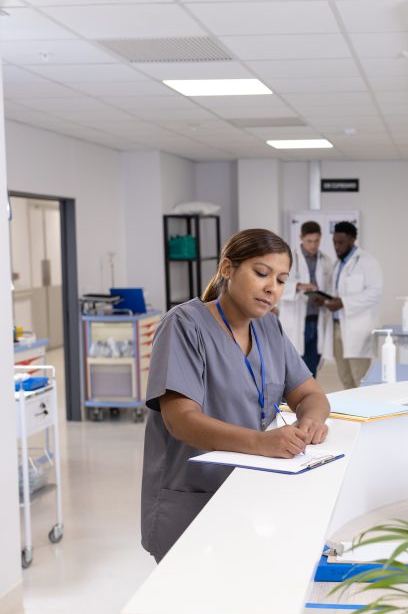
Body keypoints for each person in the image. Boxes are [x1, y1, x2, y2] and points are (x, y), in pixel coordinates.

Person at [140, 228, 330, 563]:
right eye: (261, 273)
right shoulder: (184, 325)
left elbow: (310, 393)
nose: (272, 288)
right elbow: (180, 420)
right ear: (227, 269)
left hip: (252, 495)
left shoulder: (270, 328)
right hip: (194, 499)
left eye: (282, 280)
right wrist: (262, 442)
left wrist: (311, 420)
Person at [321, 221, 382, 389]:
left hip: (358, 331)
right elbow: (336, 291)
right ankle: (351, 415)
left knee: (360, 378)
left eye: (341, 242)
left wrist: (343, 303)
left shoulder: (367, 262)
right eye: (334, 242)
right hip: (337, 327)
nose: (337, 247)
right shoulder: (338, 265)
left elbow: (374, 293)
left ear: (352, 240)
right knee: (345, 377)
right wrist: (326, 300)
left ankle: (365, 414)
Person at [277, 220, 333, 377]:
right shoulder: (289, 259)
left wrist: (324, 298)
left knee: (311, 367)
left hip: (316, 319)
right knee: (292, 368)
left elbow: (329, 288)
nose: (313, 245)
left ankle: (308, 399)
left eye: (316, 241)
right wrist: (298, 286)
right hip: (296, 318)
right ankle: (289, 401)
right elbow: (277, 285)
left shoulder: (325, 260)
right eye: (309, 241)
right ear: (301, 238)